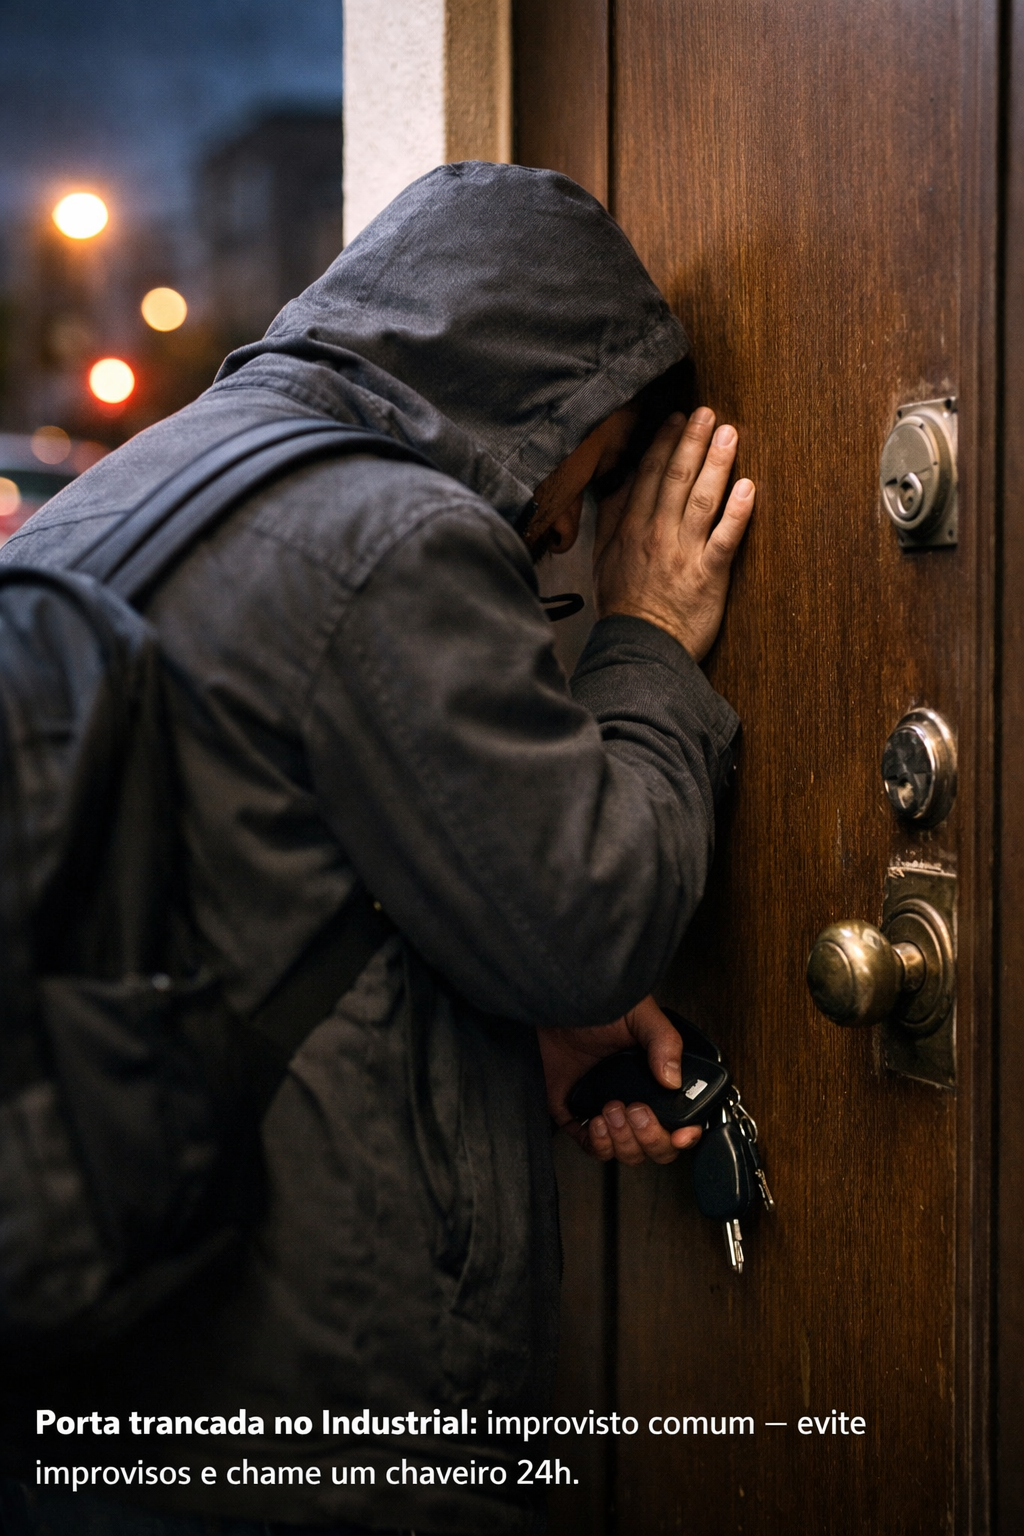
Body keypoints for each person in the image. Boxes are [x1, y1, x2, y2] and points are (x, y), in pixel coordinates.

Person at [0, 162, 753, 1535]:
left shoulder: (138, 488)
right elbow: (594, 920)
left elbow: (238, 870)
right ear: (553, 398)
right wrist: (644, 637)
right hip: (318, 1385)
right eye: (607, 452)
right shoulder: (387, 538)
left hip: (129, 1315)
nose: (577, 516)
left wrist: (510, 1026)